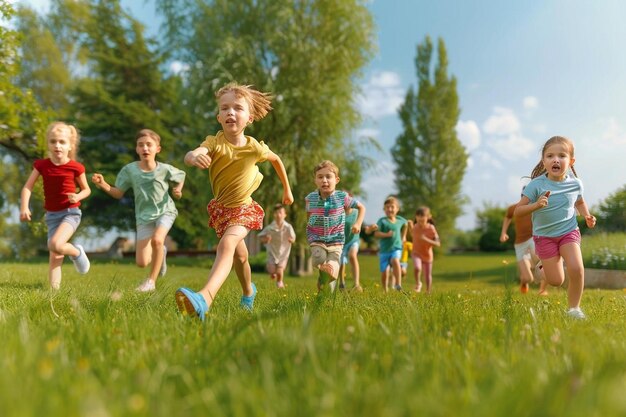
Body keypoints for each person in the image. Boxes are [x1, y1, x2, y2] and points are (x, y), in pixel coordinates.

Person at [175, 83, 293, 320]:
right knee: (240, 257)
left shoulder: (254, 148)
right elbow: (193, 154)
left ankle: (204, 298)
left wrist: (287, 191)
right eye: (225, 108)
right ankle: (249, 292)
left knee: (226, 246)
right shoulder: (215, 142)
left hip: (244, 209)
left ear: (249, 117)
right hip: (222, 210)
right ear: (219, 117)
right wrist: (193, 157)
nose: (231, 112)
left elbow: (276, 159)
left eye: (238, 108)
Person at [92, 129, 186, 292]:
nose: (145, 148)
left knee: (157, 239)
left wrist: (178, 189)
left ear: (158, 149)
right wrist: (103, 184)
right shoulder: (129, 170)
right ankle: (161, 252)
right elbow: (118, 193)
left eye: (149, 145)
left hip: (165, 211)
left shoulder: (164, 169)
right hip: (143, 216)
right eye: (141, 145)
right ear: (136, 149)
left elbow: (181, 175)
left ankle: (151, 282)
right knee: (142, 262)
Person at [514, 136, 596, 319]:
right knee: (556, 281)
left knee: (576, 268)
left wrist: (586, 216)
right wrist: (536, 205)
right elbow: (518, 211)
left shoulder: (575, 183)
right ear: (544, 161)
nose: (556, 159)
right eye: (550, 156)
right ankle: (541, 267)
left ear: (571, 161)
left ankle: (574, 309)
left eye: (562, 155)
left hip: (569, 232)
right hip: (544, 237)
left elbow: (580, 202)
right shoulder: (536, 185)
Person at [20, 122, 91, 290]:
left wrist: (78, 196)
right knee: (55, 255)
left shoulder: (76, 167)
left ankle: (76, 252)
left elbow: (87, 189)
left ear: (70, 145)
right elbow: (27, 187)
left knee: (56, 245)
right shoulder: (42, 165)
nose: (57, 145)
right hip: (52, 215)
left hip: (70, 213)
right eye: (53, 142)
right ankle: (54, 293)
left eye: (62, 142)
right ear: (48, 144)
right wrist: (24, 207)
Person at [306, 161, 365, 292]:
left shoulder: (342, 197)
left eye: (328, 176)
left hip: (336, 241)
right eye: (320, 177)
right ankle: (324, 276)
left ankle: (325, 285)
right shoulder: (311, 198)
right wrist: (310, 225)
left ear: (336, 180)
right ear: (315, 180)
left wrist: (358, 223)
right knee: (318, 259)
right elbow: (309, 213)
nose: (324, 180)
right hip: (317, 238)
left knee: (333, 269)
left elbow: (361, 207)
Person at [500, 190, 547, 295]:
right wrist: (503, 233)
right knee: (528, 278)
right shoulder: (514, 208)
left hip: (533, 238)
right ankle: (524, 281)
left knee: (544, 262)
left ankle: (542, 290)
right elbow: (507, 217)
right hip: (519, 243)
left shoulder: (537, 206)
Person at [365, 196, 407, 292]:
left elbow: (406, 224)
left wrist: (403, 236)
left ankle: (398, 284)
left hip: (396, 248)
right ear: (384, 209)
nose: (390, 209)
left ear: (397, 209)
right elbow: (376, 233)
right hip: (384, 251)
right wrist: (386, 234)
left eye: (392, 207)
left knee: (395, 260)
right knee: (385, 271)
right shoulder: (382, 221)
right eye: (387, 207)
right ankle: (385, 290)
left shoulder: (400, 220)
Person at [258, 204, 296, 289]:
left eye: (280, 212)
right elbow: (260, 237)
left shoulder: (288, 227)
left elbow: (293, 238)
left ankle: (279, 282)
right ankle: (272, 273)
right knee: (271, 270)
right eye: (276, 213)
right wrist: (266, 239)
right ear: (274, 215)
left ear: (285, 215)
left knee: (280, 270)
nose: (278, 215)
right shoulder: (270, 227)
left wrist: (291, 240)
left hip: (283, 253)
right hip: (272, 251)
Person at [407, 206, 440, 293]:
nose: (420, 218)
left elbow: (438, 243)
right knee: (417, 268)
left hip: (427, 255)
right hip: (416, 253)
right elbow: (413, 235)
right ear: (416, 217)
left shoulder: (431, 228)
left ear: (428, 217)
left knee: (427, 275)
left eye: (423, 216)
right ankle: (418, 283)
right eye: (418, 216)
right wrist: (410, 227)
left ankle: (428, 292)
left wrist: (426, 239)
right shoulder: (415, 227)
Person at [338, 205, 363, 292]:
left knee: (352, 255)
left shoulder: (356, 212)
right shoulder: (338, 213)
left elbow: (360, 219)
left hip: (353, 240)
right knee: (341, 263)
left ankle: (356, 284)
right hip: (342, 243)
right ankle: (342, 283)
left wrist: (358, 226)